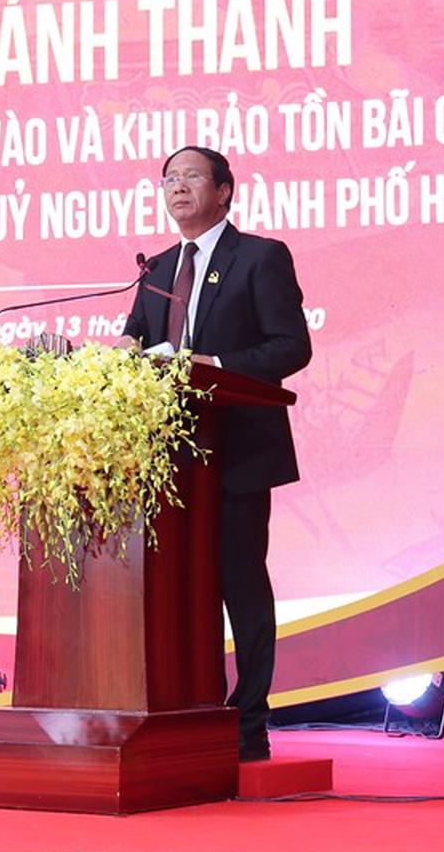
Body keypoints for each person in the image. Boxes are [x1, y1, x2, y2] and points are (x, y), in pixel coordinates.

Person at [123, 145, 312, 762]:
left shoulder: (260, 257)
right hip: (168, 461)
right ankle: (185, 709)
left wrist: (216, 364)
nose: (177, 188)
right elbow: (138, 338)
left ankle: (249, 722)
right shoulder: (156, 269)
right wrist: (124, 351)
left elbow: (292, 346)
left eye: (190, 177)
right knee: (176, 590)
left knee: (241, 586)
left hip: (235, 454)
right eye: (168, 180)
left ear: (224, 191)